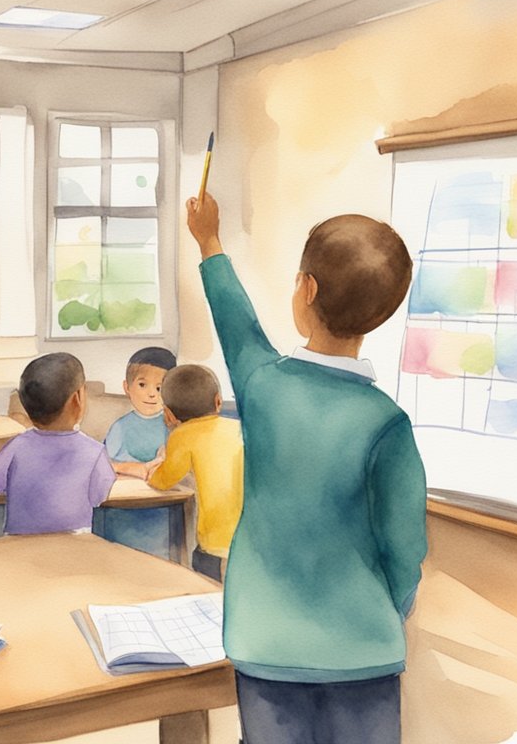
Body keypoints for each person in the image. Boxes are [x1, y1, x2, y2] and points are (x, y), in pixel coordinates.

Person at [185, 192, 427, 744]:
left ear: (307, 290)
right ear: (384, 312)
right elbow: (406, 547)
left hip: (266, 644)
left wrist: (209, 241)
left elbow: (234, 320)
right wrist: (380, 610)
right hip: (363, 651)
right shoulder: (388, 422)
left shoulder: (263, 384)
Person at [0, 353, 116, 535]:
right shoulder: (94, 451)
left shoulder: (18, 446)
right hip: (74, 546)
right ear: (77, 399)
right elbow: (100, 497)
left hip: (20, 546)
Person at [145, 364, 243, 583]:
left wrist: (155, 467)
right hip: (251, 545)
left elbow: (162, 481)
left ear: (168, 413)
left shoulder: (182, 436)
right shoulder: (238, 429)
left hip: (216, 547)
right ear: (218, 401)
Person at [103, 346, 176, 479]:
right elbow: (107, 463)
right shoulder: (120, 427)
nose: (152, 394)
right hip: (129, 487)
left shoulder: (170, 424)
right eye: (142, 385)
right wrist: (137, 468)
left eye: (159, 388)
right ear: (127, 388)